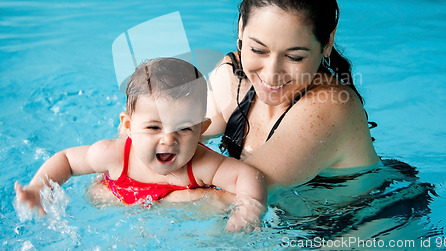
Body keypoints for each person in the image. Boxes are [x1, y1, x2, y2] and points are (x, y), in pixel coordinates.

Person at [15, 58, 266, 232]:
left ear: (202, 129)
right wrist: (39, 186)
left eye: (184, 128)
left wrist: (247, 210)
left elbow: (248, 175)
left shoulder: (201, 164)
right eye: (154, 127)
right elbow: (68, 160)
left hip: (158, 211)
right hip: (121, 195)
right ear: (127, 126)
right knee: (95, 195)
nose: (169, 139)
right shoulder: (115, 155)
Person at [204, 0, 380, 187]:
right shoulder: (232, 76)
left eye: (294, 57)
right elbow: (167, 142)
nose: (271, 74)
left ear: (327, 43)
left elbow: (241, 197)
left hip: (364, 220)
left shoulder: (330, 108)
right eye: (258, 49)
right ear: (241, 28)